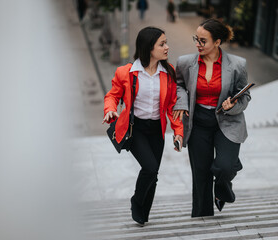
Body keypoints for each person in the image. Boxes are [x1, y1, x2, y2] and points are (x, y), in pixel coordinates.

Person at [103, 27, 183, 226]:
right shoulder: (127, 73)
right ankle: (137, 202)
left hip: (157, 130)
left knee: (153, 174)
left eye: (166, 43)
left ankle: (143, 213)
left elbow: (173, 106)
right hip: (136, 129)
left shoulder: (168, 72)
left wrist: (178, 132)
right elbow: (112, 95)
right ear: (149, 48)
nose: (167, 47)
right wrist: (110, 109)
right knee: (150, 167)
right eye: (162, 44)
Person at [172, 18, 251, 217]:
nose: (198, 44)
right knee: (201, 173)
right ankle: (202, 216)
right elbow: (179, 86)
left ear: (217, 42)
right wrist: (181, 104)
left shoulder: (237, 65)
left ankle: (222, 187)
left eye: (203, 41)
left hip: (228, 120)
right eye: (196, 39)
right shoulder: (184, 62)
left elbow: (245, 96)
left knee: (224, 167)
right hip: (198, 120)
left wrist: (233, 104)